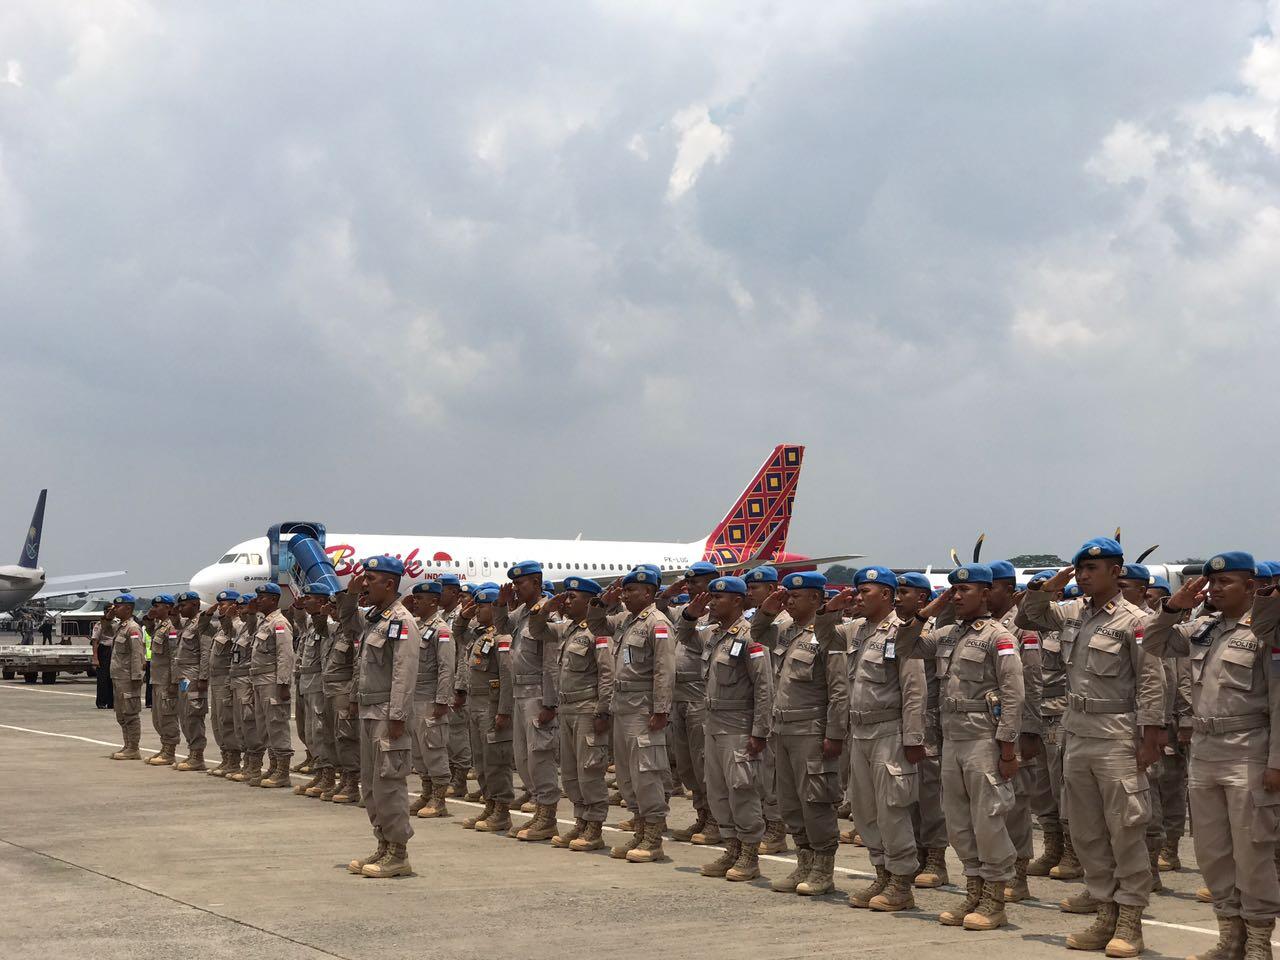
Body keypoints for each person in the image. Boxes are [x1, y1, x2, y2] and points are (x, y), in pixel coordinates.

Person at [1020, 538, 1166, 958]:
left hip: (1117, 734)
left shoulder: (1134, 620)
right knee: (1086, 831)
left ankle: (1130, 922)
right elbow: (1030, 615)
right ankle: (1104, 914)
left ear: (1116, 572)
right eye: (1080, 568)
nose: (1083, 575)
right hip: (1077, 732)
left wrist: (1150, 733)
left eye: (1092, 568)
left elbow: (1151, 680)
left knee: (1125, 830)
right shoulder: (1073, 613)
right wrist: (1046, 586)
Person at [1146, 554, 1280, 960]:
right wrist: (1173, 606)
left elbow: (1279, 701)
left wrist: (1276, 761)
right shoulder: (1202, 628)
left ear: (1252, 585)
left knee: (1252, 850)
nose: (1216, 588)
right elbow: (1152, 642)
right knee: (1212, 850)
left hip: (1248, 750)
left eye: (1226, 581)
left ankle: (1258, 940)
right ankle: (1230, 936)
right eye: (1212, 582)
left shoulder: (1267, 629)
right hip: (1204, 752)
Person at [895, 564, 1025, 931]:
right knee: (959, 824)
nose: (956, 595)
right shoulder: (947, 633)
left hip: (983, 738)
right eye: (953, 590)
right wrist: (926, 613)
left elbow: (1014, 695)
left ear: (985, 593)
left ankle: (994, 900)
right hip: (952, 739)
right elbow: (906, 646)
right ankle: (973, 890)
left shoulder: (999, 637)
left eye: (965, 590)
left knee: (988, 822)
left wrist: (1008, 749)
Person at [818, 566, 926, 911]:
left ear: (887, 595)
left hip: (889, 731)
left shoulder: (903, 632)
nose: (859, 597)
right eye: (858, 591)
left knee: (892, 808)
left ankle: (900, 883)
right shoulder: (855, 631)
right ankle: (880, 873)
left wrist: (913, 737)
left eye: (867, 591)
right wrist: (829, 609)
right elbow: (824, 636)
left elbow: (914, 689)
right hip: (859, 732)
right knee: (865, 811)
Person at [754, 571, 848, 896]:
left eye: (797, 596)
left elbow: (839, 689)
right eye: (788, 596)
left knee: (816, 801)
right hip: (783, 729)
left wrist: (834, 734)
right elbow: (756, 633)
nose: (790, 601)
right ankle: (803, 863)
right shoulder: (783, 631)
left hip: (812, 729)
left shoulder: (829, 636)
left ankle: (823, 869)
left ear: (816, 599)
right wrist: (767, 610)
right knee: (791, 802)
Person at [677, 576, 774, 882]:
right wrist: (690, 614)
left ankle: (749, 855)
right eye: (712, 598)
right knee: (718, 790)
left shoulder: (750, 636)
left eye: (720, 598)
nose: (713, 602)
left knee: (742, 791)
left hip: (739, 726)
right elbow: (685, 635)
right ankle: (731, 848)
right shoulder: (714, 635)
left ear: (738, 601)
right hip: (713, 723)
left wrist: (759, 731)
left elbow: (763, 687)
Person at [339, 557, 422, 878]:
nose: (363, 583)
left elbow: (404, 670)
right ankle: (384, 844)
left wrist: (398, 716)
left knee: (389, 785)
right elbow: (347, 626)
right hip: (370, 712)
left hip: (389, 715)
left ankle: (399, 853)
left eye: (369, 579)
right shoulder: (375, 619)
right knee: (371, 787)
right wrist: (348, 596)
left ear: (389, 584)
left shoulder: (401, 621)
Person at [587, 567, 676, 863]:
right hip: (623, 707)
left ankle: (652, 838)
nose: (624, 594)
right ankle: (639, 831)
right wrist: (601, 602)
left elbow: (665, 669)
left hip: (643, 708)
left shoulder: (657, 622)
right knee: (626, 775)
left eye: (631, 590)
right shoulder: (625, 620)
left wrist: (661, 709)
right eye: (624, 590)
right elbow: (597, 625)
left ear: (648, 592)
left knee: (646, 774)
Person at [530, 576, 613, 850]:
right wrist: (546, 608)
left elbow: (606, 674)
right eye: (565, 596)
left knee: (590, 771)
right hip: (567, 709)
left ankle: (595, 827)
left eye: (572, 597)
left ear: (590, 601)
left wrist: (603, 711)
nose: (566, 601)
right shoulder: (567, 629)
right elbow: (537, 630)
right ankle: (580, 821)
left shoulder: (598, 632)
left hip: (587, 708)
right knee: (570, 772)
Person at [495, 561, 561, 838]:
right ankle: (538, 811)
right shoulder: (521, 612)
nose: (516, 588)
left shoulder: (548, 613)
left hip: (537, 694)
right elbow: (501, 627)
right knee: (522, 758)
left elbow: (551, 663)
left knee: (539, 757)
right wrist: (502, 604)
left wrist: (549, 702)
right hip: (519, 693)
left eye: (521, 583)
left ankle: (548, 816)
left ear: (536, 583)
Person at [895, 572, 951, 888]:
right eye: (897, 592)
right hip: (899, 721)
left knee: (930, 795)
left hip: (929, 722)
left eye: (906, 592)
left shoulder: (934, 632)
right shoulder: (895, 630)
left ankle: (935, 858)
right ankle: (914, 851)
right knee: (904, 793)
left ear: (923, 599)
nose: (899, 597)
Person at [659, 561, 719, 845]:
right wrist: (669, 592)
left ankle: (716, 821)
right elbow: (659, 607)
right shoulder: (682, 614)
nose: (691, 587)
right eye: (689, 583)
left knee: (704, 762)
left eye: (696, 583)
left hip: (700, 697)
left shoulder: (719, 616)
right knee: (686, 765)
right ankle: (702, 816)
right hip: (678, 697)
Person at [745, 564, 791, 855]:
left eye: (755, 589)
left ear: (772, 590)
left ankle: (776, 829)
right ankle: (767, 822)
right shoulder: (763, 621)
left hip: (786, 708)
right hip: (766, 708)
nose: (750, 594)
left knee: (774, 775)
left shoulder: (786, 623)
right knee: (762, 773)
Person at [404, 580, 455, 820]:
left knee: (434, 750)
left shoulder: (442, 630)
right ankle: (426, 792)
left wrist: (442, 700)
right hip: (414, 697)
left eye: (419, 599)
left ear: (433, 601)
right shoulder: (416, 626)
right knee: (418, 752)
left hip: (430, 698)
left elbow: (446, 667)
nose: (414, 603)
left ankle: (439, 799)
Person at [294, 584, 339, 798]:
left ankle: (328, 775)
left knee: (321, 732)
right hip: (307, 682)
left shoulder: (327, 625)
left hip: (319, 683)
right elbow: (299, 619)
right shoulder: (312, 625)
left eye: (309, 598)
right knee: (309, 731)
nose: (305, 601)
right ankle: (320, 772)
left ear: (321, 602)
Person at [250, 583, 296, 788]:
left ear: (274, 600)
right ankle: (274, 765)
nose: (258, 600)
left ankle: (283, 771)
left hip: (272, 680)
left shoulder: (279, 623)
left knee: (277, 725)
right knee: (264, 727)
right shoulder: (263, 622)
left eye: (263, 597)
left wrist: (283, 683)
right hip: (259, 681)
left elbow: (285, 655)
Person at [437, 574, 472, 798]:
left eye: (441, 590)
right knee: (445, 734)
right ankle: (450, 774)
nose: (437, 594)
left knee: (458, 734)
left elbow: (465, 654)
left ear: (453, 593)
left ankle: (459, 779)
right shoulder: (442, 616)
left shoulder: (462, 617)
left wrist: (460, 687)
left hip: (457, 683)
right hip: (444, 681)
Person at [172, 591, 213, 772]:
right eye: (179, 606)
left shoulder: (201, 626)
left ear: (195, 605)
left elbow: (205, 653)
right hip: (184, 677)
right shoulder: (187, 624)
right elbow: (173, 621)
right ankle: (192, 752)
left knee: (193, 715)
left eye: (184, 605)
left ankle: (197, 756)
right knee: (184, 714)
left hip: (194, 675)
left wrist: (203, 677)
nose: (180, 609)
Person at [226, 594, 264, 784]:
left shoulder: (253, 627)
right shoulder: (240, 629)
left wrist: (251, 613)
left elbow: (252, 625)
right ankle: (246, 763)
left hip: (246, 681)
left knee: (249, 724)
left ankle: (254, 766)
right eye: (238, 608)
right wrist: (228, 616)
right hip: (236, 680)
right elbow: (227, 629)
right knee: (239, 724)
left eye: (244, 608)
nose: (240, 611)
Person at [103, 595, 146, 759]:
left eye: (118, 607)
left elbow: (137, 653)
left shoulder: (133, 628)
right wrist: (108, 617)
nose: (114, 609)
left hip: (128, 678)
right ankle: (127, 745)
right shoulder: (120, 626)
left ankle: (133, 748)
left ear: (128, 609)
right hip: (118, 676)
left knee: (130, 713)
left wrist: (136, 677)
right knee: (121, 714)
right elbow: (105, 631)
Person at [205, 590, 241, 777]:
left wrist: (226, 617)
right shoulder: (221, 627)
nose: (220, 607)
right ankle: (225, 757)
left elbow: (233, 633)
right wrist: (209, 613)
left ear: (234, 605)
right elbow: (203, 628)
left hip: (227, 679)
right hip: (216, 680)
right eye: (219, 604)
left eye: (224, 604)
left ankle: (234, 760)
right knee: (217, 721)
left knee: (227, 720)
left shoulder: (237, 626)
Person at [144, 595, 181, 766]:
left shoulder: (171, 627)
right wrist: (149, 619)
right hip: (157, 678)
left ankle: (170, 751)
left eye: (158, 606)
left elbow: (175, 656)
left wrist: (174, 681)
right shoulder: (160, 625)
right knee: (157, 717)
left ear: (168, 608)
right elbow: (151, 633)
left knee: (167, 716)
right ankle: (164, 747)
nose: (155, 609)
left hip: (166, 679)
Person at [91, 610, 115, 709]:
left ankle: (111, 702)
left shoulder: (117, 623)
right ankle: (101, 702)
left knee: (113, 677)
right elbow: (95, 641)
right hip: (104, 650)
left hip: (114, 650)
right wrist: (95, 657)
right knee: (103, 678)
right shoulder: (99, 624)